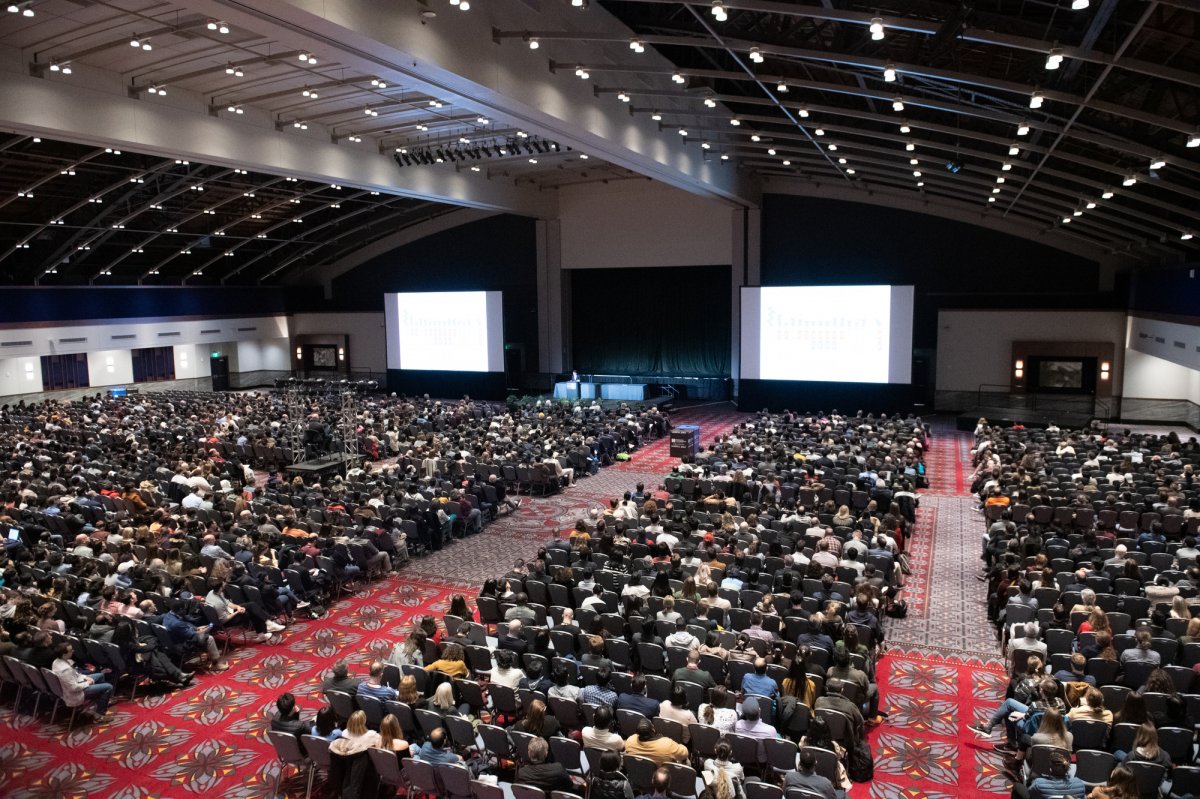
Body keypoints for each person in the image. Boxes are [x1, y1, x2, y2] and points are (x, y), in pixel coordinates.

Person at [50, 642, 114, 721]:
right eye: (70, 650)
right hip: (75, 693)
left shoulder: (57, 661)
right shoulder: (65, 670)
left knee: (100, 675)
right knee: (109, 687)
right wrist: (87, 682)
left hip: (77, 682)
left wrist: (85, 677)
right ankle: (99, 715)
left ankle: (101, 700)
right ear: (64, 654)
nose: (73, 651)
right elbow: (73, 688)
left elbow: (75, 675)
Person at [1015, 750, 1086, 799]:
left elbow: (1031, 794)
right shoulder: (1080, 784)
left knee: (1017, 786)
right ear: (1067, 769)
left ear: (1050, 769)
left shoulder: (1039, 783)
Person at [624, 718, 688, 765]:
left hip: (639, 772)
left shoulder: (630, 740)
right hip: (660, 775)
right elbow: (685, 753)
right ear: (653, 730)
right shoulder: (667, 744)